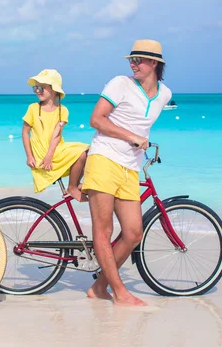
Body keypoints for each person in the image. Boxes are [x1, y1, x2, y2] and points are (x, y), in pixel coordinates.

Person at [81, 40, 172, 306]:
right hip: (104, 158)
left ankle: (100, 287)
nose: (133, 64)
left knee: (133, 233)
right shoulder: (119, 83)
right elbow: (96, 120)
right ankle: (120, 292)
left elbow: (142, 120)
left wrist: (141, 138)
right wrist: (130, 136)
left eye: (138, 60)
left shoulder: (165, 94)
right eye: (131, 60)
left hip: (130, 166)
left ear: (154, 63)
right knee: (104, 229)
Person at [22, 69, 89, 202]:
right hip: (41, 154)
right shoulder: (33, 108)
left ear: (54, 89)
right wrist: (29, 156)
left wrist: (50, 155)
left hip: (55, 150)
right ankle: (73, 187)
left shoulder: (62, 111)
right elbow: (25, 132)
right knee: (82, 152)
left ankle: (78, 184)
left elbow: (56, 135)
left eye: (41, 87)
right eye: (35, 87)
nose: (37, 91)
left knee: (88, 150)